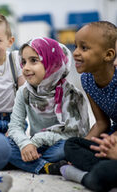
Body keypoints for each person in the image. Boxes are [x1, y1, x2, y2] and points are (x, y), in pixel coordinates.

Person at [7, 37, 90, 175]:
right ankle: (47, 167)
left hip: (58, 146)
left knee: (68, 148)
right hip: (35, 146)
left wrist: (36, 141)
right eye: (23, 62)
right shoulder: (24, 91)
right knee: (4, 145)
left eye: (34, 60)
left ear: (53, 62)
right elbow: (15, 126)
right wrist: (25, 144)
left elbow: (73, 133)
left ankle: (25, 161)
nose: (26, 67)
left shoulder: (71, 94)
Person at [57, 21, 117, 192]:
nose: (75, 53)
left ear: (108, 55)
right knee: (71, 146)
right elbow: (101, 123)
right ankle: (105, 166)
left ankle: (90, 175)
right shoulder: (87, 79)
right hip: (113, 134)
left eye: (84, 48)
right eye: (75, 46)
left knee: (102, 171)